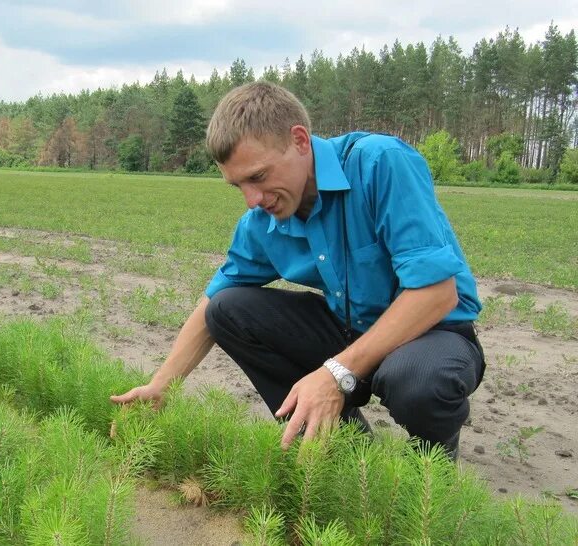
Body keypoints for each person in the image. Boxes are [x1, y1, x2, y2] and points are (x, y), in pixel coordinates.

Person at [111, 81, 484, 457]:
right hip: (350, 330)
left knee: (417, 379)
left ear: (300, 141)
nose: (252, 199)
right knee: (228, 308)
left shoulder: (379, 163)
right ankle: (344, 454)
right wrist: (161, 385)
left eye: (258, 176)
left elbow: (437, 293)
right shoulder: (261, 218)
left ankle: (431, 477)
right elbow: (213, 302)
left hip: (432, 334)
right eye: (237, 185)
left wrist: (334, 375)